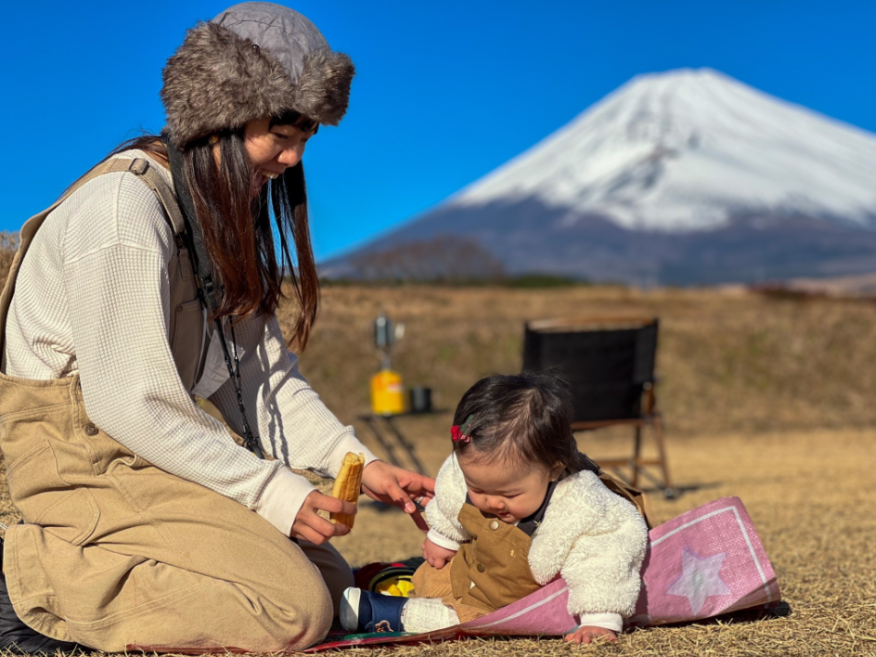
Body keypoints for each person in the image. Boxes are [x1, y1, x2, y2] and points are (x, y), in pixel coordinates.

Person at [0, 3, 433, 653]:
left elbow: (262, 383)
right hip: (76, 466)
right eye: (280, 133)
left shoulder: (218, 226)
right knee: (292, 607)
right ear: (220, 116)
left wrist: (360, 464)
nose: (292, 157)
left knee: (324, 571)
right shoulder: (124, 209)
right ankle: (29, 582)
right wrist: (268, 490)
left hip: (142, 458)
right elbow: (129, 400)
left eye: (306, 138)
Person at [340, 372, 649, 645]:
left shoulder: (579, 503)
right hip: (463, 573)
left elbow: (606, 557)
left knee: (457, 620)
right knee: (428, 577)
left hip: (503, 604)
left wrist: (600, 618)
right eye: (479, 489)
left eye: (509, 494)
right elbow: (451, 499)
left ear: (554, 468)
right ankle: (388, 577)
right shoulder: (469, 470)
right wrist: (443, 538)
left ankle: (386, 613)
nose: (491, 502)